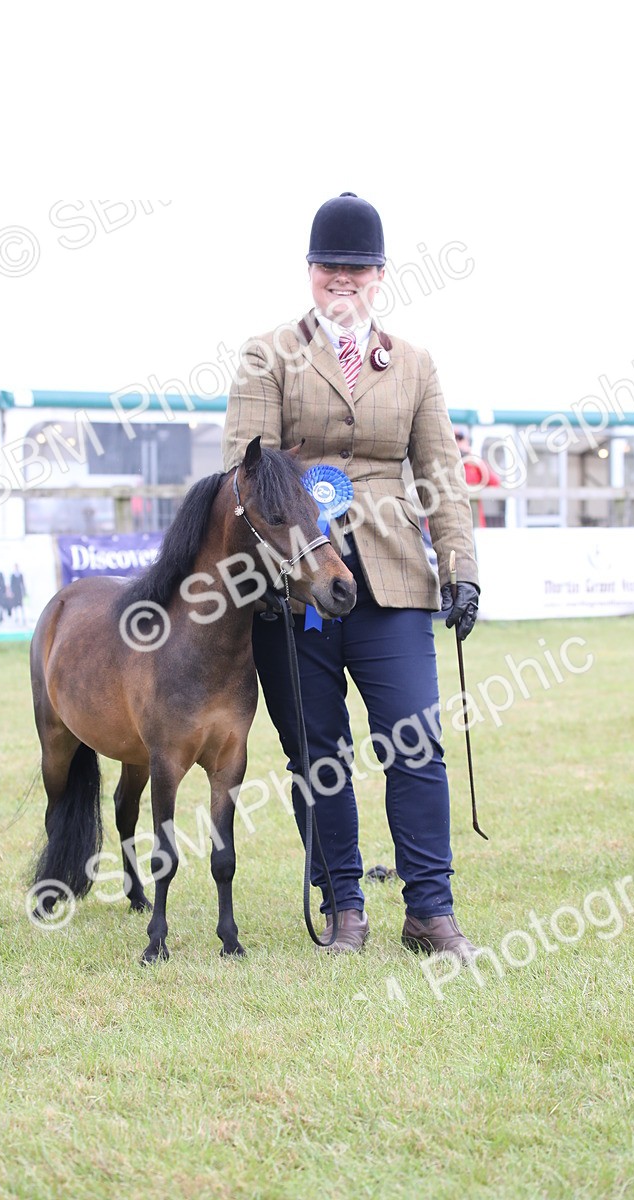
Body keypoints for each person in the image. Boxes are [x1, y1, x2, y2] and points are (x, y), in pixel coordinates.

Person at [223, 192, 482, 959]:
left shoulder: (414, 363)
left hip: (395, 577)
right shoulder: (266, 354)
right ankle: (343, 907)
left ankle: (430, 911)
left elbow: (441, 470)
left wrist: (460, 565)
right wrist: (272, 567)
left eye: (359, 269)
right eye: (331, 267)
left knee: (417, 741)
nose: (345, 280)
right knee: (316, 750)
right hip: (296, 583)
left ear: (379, 277)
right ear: (310, 273)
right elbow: (246, 472)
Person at [454, 427, 501, 528]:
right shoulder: (444, 465)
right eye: (454, 439)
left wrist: (475, 460)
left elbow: (495, 482)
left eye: (460, 438)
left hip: (472, 521)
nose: (457, 442)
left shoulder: (473, 464)